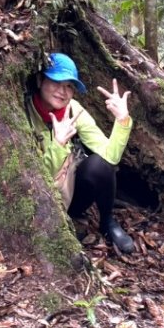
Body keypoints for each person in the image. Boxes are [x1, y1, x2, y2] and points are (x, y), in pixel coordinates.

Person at [27, 52, 135, 253]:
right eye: (56, 82)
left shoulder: (73, 110)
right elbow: (33, 178)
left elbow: (109, 157)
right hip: (36, 199)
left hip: (70, 196)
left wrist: (122, 121)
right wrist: (58, 144)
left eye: (69, 86)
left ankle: (107, 221)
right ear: (40, 80)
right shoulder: (24, 112)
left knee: (99, 165)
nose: (63, 91)